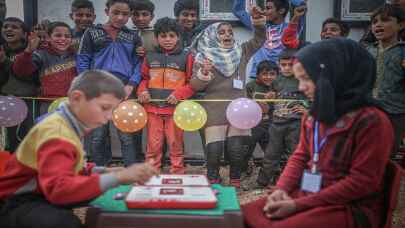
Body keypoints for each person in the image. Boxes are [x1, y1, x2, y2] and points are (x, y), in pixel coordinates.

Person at [242, 38, 394, 228]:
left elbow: (361, 183)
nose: (300, 87)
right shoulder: (313, 116)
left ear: (336, 76)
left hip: (346, 207)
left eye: (307, 79)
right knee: (243, 215)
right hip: (307, 195)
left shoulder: (371, 121)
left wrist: (297, 205)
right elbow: (299, 157)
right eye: (299, 80)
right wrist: (280, 190)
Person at [0, 70, 158, 228]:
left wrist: (110, 172)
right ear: (77, 98)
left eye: (113, 110)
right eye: (104, 107)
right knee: (65, 223)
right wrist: (119, 177)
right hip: (16, 203)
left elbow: (72, 167)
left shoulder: (68, 123)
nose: (110, 116)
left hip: (40, 195)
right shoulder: (57, 132)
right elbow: (59, 190)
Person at [190, 7, 266, 187]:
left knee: (236, 150)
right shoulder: (202, 58)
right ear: (211, 36)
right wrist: (203, 73)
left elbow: (259, 39)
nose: (227, 35)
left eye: (230, 32)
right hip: (214, 110)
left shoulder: (242, 51)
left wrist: (258, 23)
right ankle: (213, 178)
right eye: (222, 32)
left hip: (239, 110)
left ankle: (235, 179)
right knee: (214, 151)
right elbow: (194, 85)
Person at [77, 0, 143, 166]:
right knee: (98, 136)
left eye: (125, 14)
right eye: (116, 12)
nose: (120, 17)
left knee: (126, 134)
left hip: (124, 88)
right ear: (107, 11)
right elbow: (83, 59)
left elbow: (138, 63)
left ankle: (130, 170)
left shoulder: (133, 35)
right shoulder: (92, 32)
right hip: (97, 88)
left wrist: (131, 85)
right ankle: (101, 171)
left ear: (129, 15)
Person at [137, 17, 195, 174]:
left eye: (171, 35)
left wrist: (179, 94)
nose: (167, 39)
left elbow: (192, 83)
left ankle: (177, 172)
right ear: (156, 38)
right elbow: (144, 79)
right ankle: (150, 173)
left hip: (175, 110)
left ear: (178, 37)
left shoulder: (187, 56)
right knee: (153, 145)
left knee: (175, 144)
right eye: (163, 36)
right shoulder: (149, 56)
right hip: (152, 109)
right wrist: (142, 91)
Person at [256, 48, 308, 188]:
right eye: (283, 64)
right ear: (278, 64)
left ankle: (293, 183)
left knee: (294, 154)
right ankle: (262, 183)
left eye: (290, 65)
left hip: (295, 124)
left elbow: (312, 98)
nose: (286, 68)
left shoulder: (302, 80)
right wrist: (270, 97)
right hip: (277, 123)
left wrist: (307, 109)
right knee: (270, 154)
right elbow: (272, 99)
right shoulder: (277, 81)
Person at [13, 21, 77, 115]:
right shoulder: (40, 54)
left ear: (71, 39)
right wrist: (28, 51)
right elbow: (21, 71)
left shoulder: (77, 55)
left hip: (73, 103)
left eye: (67, 36)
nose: (63, 39)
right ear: (48, 38)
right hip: (48, 103)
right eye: (58, 35)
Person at [368, 4, 405, 159]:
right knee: (365, 152)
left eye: (385, 20)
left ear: (401, 25)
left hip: (394, 113)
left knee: (385, 155)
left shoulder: (403, 51)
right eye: (374, 22)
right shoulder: (367, 50)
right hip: (368, 109)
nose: (378, 25)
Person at [233, 0, 304, 78]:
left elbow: (301, 6)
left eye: (268, 8)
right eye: (265, 8)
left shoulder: (291, 28)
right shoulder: (259, 25)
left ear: (281, 11)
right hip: (258, 77)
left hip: (281, 77)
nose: (265, 11)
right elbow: (238, 11)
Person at [0, 17, 39, 152]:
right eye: (5, 26)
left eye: (14, 27)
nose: (9, 29)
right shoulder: (2, 50)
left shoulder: (31, 51)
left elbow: (28, 76)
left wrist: (5, 62)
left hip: (27, 102)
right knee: (7, 142)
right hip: (4, 102)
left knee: (24, 139)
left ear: (24, 34)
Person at [242, 60, 278, 177]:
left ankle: (268, 176)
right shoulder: (251, 86)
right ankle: (246, 169)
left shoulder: (277, 87)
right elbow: (244, 104)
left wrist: (269, 107)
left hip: (270, 125)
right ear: (257, 74)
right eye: (264, 74)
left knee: (270, 153)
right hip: (253, 125)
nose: (268, 77)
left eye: (272, 74)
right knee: (246, 150)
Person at [283, 17, 349, 49]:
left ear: (344, 34)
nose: (328, 32)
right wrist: (296, 17)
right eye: (324, 30)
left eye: (333, 30)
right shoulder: (311, 48)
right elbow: (288, 40)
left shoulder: (351, 54)